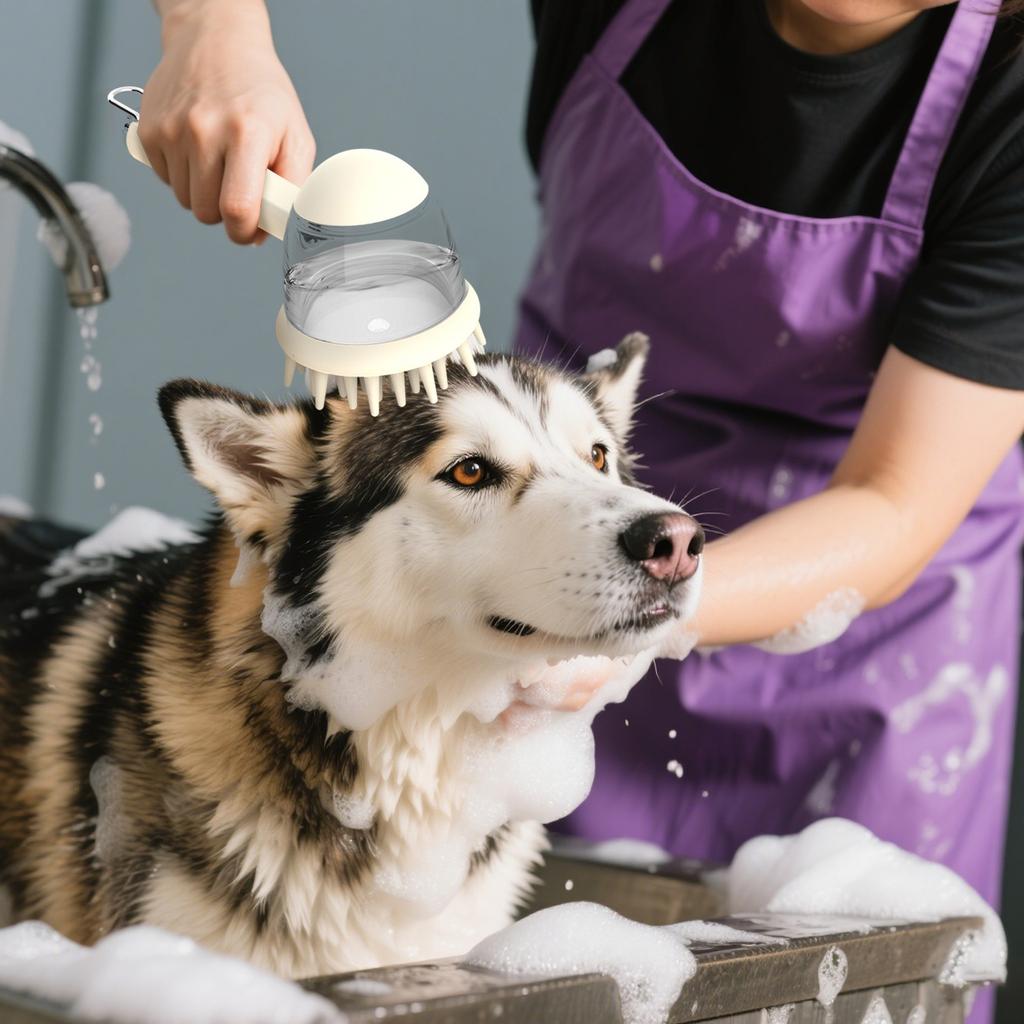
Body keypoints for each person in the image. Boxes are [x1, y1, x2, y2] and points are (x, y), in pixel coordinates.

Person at [142, 1, 1024, 1019]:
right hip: (524, 567)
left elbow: (891, 500)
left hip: (869, 638)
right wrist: (214, 34)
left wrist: (637, 600)